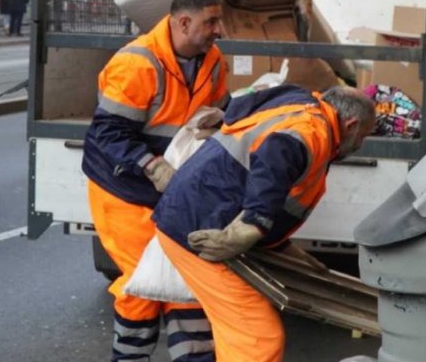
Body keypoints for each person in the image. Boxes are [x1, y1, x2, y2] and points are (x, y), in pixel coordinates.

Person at [152, 84, 376, 362]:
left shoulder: (302, 103)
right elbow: (274, 161)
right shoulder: (312, 130)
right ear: (351, 125)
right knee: (257, 337)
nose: (360, 144)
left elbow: (250, 116)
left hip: (196, 217)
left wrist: (285, 250)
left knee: (239, 332)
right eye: (363, 135)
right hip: (203, 232)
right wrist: (253, 224)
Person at [81, 0, 230, 362]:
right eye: (211, 21)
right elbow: (108, 133)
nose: (220, 30)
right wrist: (152, 165)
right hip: (122, 190)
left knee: (186, 279)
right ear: (184, 23)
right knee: (144, 284)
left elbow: (218, 109)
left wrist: (220, 123)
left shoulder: (212, 61)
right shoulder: (137, 63)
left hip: (172, 189)